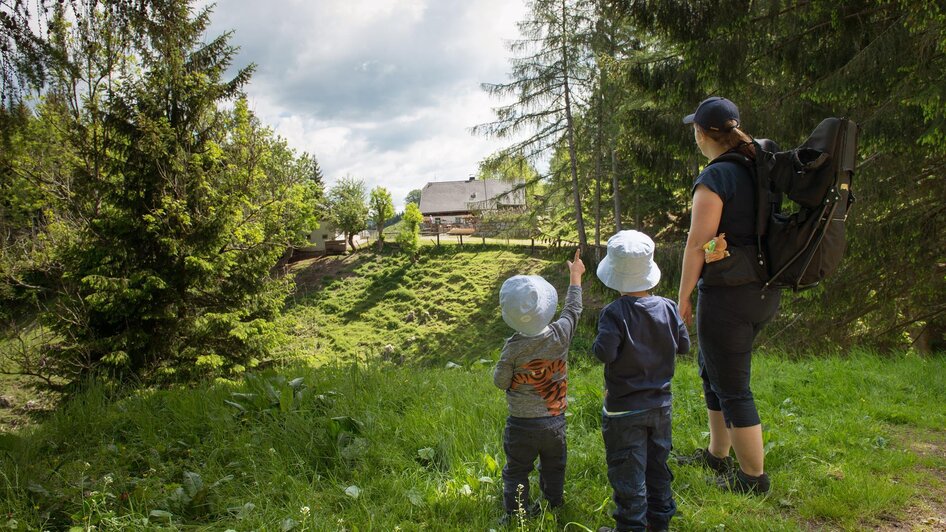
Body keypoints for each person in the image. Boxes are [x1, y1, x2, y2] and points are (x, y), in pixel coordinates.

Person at [677, 96, 781, 494]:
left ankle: (754, 478)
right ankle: (717, 456)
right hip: (763, 290)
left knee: (734, 386)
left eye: (696, 131)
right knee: (713, 371)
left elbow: (696, 244)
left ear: (703, 134)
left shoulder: (716, 177)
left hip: (729, 296)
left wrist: (683, 297)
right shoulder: (760, 168)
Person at [592, 230, 690, 532]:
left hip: (624, 411)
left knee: (628, 473)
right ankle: (659, 524)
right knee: (658, 468)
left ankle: (630, 527)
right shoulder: (669, 307)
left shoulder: (614, 313)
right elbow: (684, 345)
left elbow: (604, 353)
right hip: (661, 407)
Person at [493, 249, 584, 523]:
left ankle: (517, 512)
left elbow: (500, 382)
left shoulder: (512, 349)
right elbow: (573, 309)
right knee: (554, 466)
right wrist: (575, 277)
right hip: (554, 423)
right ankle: (554, 503)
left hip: (521, 424)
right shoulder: (560, 334)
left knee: (518, 470)